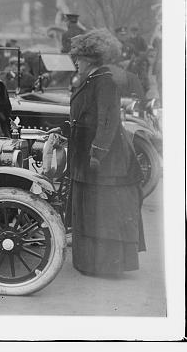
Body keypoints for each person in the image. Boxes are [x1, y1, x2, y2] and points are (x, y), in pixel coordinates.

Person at [68, 29, 145, 276]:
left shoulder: (104, 80)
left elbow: (108, 121)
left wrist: (97, 153)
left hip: (104, 160)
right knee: (93, 209)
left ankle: (106, 265)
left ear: (90, 58)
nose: (75, 63)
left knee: (105, 210)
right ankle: (90, 263)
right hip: (88, 155)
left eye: (78, 58)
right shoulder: (92, 79)